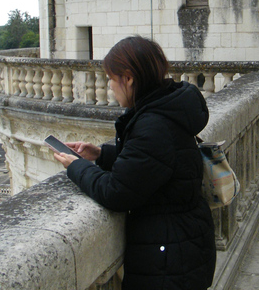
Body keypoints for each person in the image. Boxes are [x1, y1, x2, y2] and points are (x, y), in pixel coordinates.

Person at [53, 36, 216, 290]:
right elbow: (154, 163)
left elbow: (117, 191)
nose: (109, 86)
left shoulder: (154, 124)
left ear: (128, 78)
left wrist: (76, 167)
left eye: (111, 78)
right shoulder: (167, 108)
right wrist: (100, 155)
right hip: (185, 240)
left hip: (169, 257)